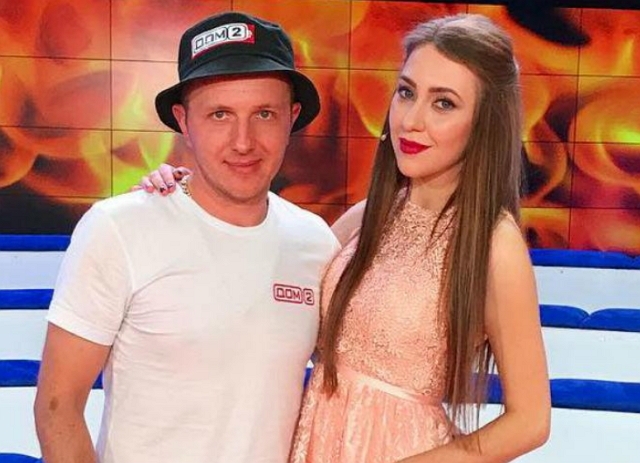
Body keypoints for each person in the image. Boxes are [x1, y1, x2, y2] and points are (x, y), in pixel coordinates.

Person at [139, 13, 551, 463]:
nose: (412, 120)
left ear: (484, 121)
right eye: (406, 93)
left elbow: (530, 422)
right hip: (318, 442)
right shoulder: (367, 217)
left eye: (444, 103)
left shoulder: (495, 244)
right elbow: (267, 291)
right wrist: (188, 192)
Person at [34, 12, 339, 463]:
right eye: (219, 114)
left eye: (264, 114)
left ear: (291, 117)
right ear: (183, 120)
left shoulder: (315, 242)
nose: (243, 141)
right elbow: (57, 407)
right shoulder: (118, 228)